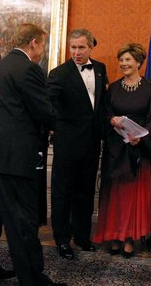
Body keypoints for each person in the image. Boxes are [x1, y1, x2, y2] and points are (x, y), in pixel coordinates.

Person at [0, 24, 63, 285]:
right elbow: (44, 111)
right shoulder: (28, 69)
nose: (42, 51)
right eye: (42, 45)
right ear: (33, 43)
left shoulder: (1, 67)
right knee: (22, 221)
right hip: (13, 158)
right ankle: (32, 278)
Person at [93, 43, 151, 258]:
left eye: (128, 60)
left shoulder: (149, 89)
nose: (123, 64)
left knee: (132, 196)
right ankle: (114, 235)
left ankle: (129, 237)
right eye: (121, 60)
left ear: (138, 62)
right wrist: (111, 120)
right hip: (115, 149)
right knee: (115, 196)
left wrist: (140, 138)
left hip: (138, 150)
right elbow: (104, 114)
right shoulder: (113, 88)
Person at [47, 29, 108, 259]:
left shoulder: (100, 69)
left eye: (81, 47)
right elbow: (48, 105)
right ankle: (62, 240)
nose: (76, 52)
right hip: (67, 145)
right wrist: (59, 128)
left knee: (85, 192)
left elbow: (100, 106)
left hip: (92, 143)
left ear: (91, 47)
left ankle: (82, 237)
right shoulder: (59, 73)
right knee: (63, 194)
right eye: (73, 47)